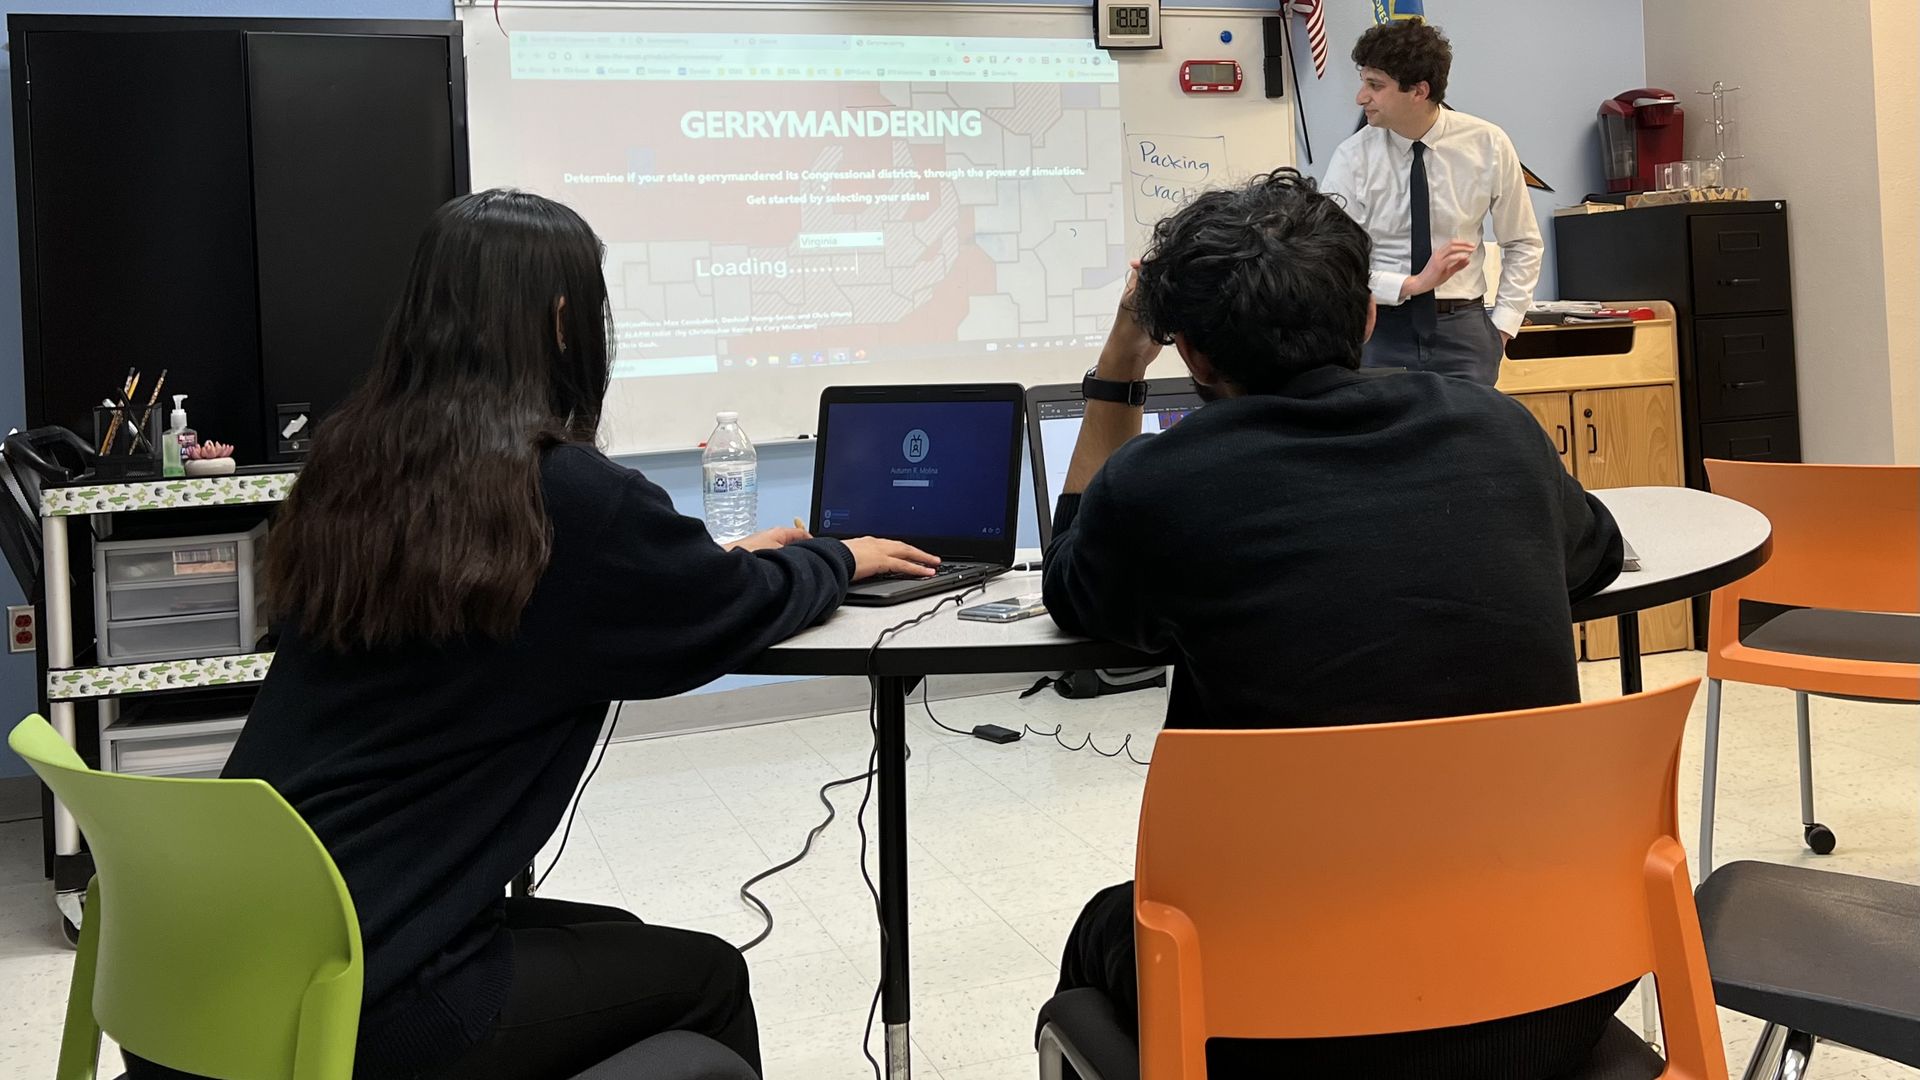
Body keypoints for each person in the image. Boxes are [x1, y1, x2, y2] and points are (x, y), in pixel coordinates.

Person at [125, 190, 940, 1080]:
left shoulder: (349, 467)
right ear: (562, 321)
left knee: (619, 940)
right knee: (706, 975)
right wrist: (838, 557)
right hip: (367, 1000)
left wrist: (709, 562)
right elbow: (726, 609)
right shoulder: (566, 496)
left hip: (212, 974)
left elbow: (587, 596)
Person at [1041, 168, 1626, 1078]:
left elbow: (1073, 589)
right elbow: (1596, 551)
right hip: (1554, 992)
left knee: (1102, 933)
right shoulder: (1496, 432)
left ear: (1189, 353)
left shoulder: (1157, 484)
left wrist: (1119, 364)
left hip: (1280, 1026)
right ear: (1363, 318)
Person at [1321, 20, 1543, 386]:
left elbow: (1523, 243)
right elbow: (1333, 260)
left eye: (1375, 86)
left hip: (1464, 331)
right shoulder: (1352, 157)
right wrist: (1411, 284)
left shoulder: (1488, 143)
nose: (1361, 98)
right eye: (1363, 82)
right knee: (1383, 441)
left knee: (1467, 442)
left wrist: (1502, 329)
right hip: (1379, 329)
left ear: (1418, 91)